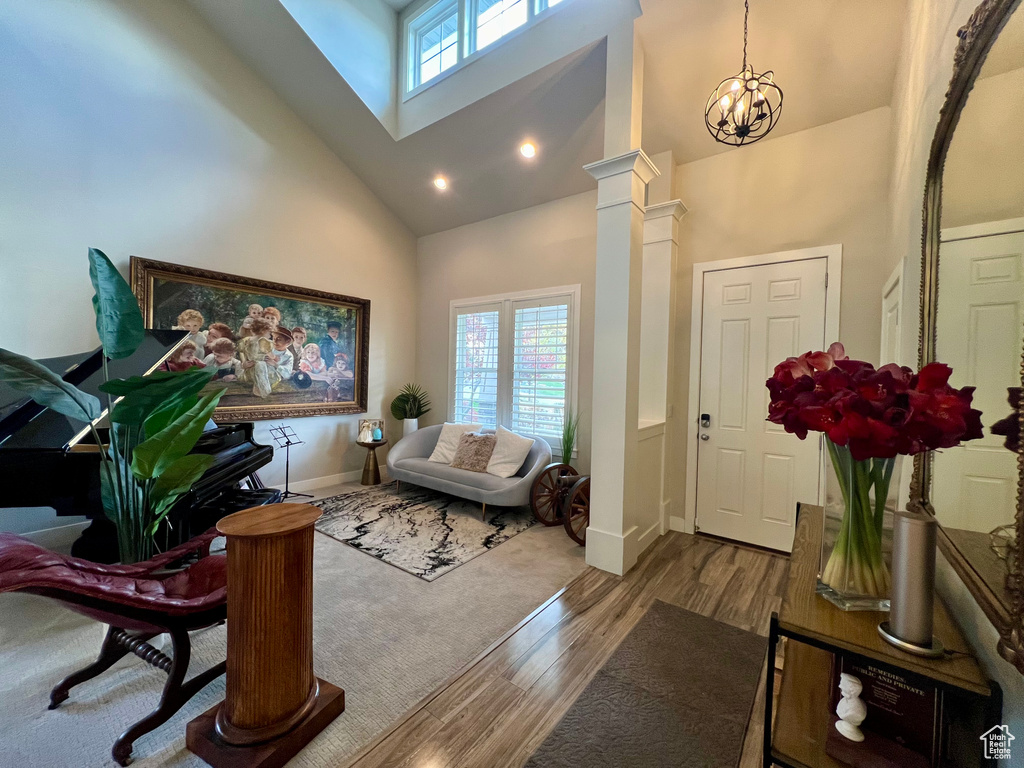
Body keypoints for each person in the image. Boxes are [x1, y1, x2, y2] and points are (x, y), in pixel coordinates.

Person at [237, 317, 278, 397]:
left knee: (261, 367)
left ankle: (259, 388)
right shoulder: (264, 341)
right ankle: (264, 390)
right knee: (261, 366)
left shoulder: (246, 341)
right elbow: (271, 356)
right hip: (256, 368)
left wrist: (244, 363)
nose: (270, 335)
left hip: (250, 370)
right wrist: (274, 357)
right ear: (263, 331)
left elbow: (242, 354)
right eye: (269, 333)